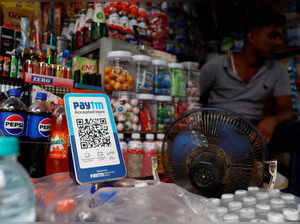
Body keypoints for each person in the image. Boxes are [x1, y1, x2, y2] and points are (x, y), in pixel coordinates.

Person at [199, 7, 300, 195]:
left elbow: (287, 111)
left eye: (281, 37)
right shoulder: (215, 66)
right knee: (233, 141)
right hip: (220, 124)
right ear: (252, 37)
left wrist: (271, 120)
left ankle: (293, 197)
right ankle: (235, 192)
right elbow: (193, 100)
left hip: (256, 126)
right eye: (272, 36)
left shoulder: (277, 70)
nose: (279, 42)